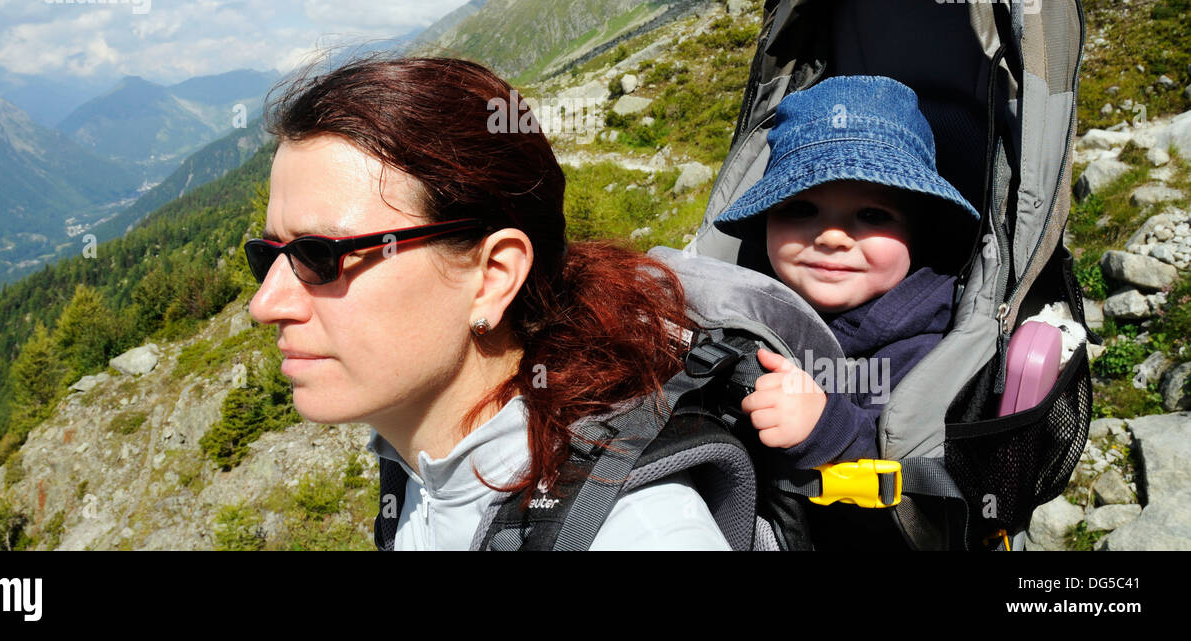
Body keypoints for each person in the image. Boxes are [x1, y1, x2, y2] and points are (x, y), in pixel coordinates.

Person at [245, 55, 730, 550]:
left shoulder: (637, 532)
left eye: (320, 255)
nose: (266, 304)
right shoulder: (418, 469)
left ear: (493, 278)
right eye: (267, 256)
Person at [711, 75, 981, 470]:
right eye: (802, 209)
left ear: (918, 234)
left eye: (872, 215)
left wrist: (826, 431)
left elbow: (918, 471)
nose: (833, 237)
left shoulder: (926, 350)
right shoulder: (745, 299)